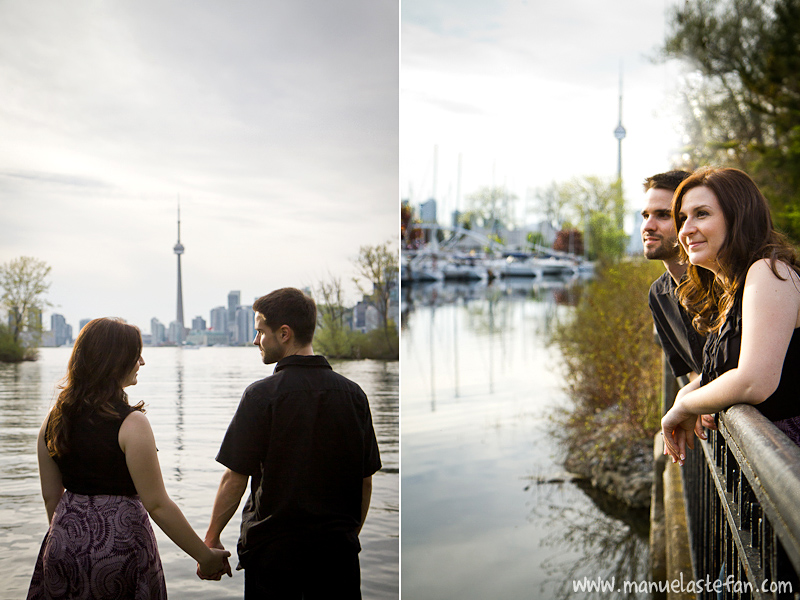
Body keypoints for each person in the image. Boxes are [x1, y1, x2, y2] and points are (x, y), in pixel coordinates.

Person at [28, 318, 231, 599]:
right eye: (136, 355)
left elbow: (52, 498)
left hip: (63, 543)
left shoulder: (54, 419)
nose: (143, 362)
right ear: (115, 361)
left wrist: (73, 538)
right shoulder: (132, 424)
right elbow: (158, 505)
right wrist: (205, 556)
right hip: (119, 549)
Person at [200, 287, 381, 598]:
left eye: (260, 332)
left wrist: (211, 542)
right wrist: (347, 537)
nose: (255, 340)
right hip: (339, 560)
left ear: (284, 334)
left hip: (275, 560)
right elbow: (365, 482)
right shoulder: (354, 396)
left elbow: (234, 479)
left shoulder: (260, 396)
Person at [661, 167, 800, 465]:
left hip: (788, 471)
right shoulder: (731, 289)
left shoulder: (769, 272)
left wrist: (685, 406)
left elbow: (755, 381)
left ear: (739, 218)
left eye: (702, 214)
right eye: (683, 218)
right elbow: (726, 370)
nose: (685, 230)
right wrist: (686, 392)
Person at [642, 170, 706, 382]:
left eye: (663, 215)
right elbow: (688, 369)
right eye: (645, 216)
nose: (648, 226)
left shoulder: (724, 282)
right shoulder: (658, 295)